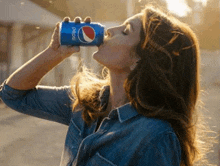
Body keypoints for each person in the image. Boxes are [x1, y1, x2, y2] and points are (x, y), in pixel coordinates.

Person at [0, 5, 202, 166]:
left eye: (125, 31)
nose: (110, 30)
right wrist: (55, 53)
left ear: (140, 59)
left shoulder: (154, 136)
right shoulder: (86, 101)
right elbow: (13, 95)